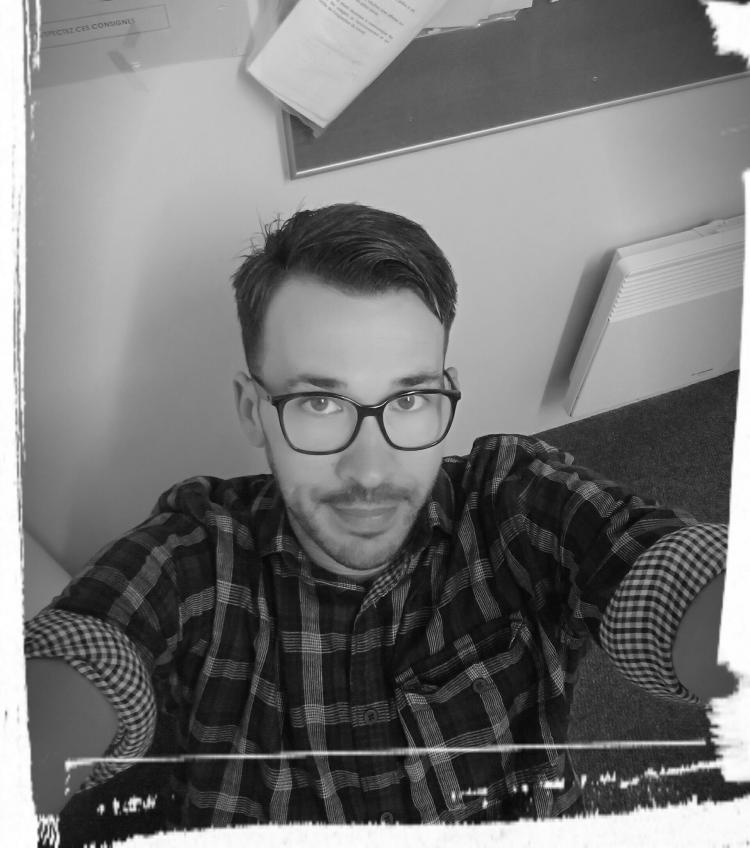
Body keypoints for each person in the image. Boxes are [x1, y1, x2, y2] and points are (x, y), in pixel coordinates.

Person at [25, 202, 731, 829]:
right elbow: (85, 655)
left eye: (409, 400)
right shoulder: (195, 554)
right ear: (253, 410)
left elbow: (668, 574)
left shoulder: (510, 501)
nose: (369, 469)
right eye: (319, 402)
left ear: (447, 391)